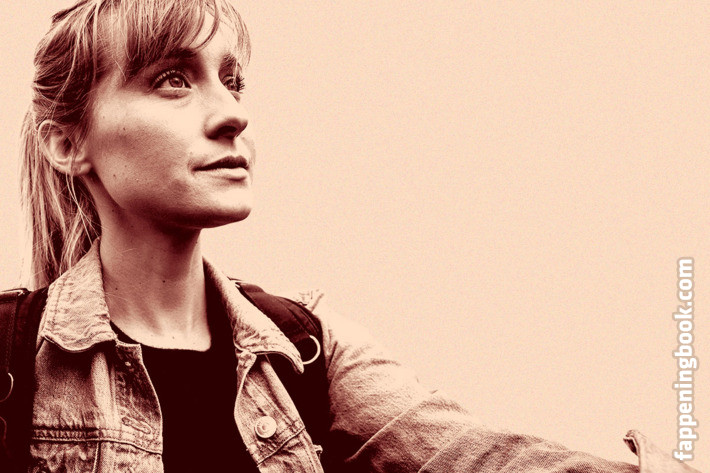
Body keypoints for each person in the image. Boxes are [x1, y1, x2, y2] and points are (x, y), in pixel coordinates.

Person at [7, 0, 699, 471]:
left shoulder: (306, 347)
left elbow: (478, 455)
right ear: (68, 143)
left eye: (233, 81)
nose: (231, 115)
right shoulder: (15, 360)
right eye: (172, 80)